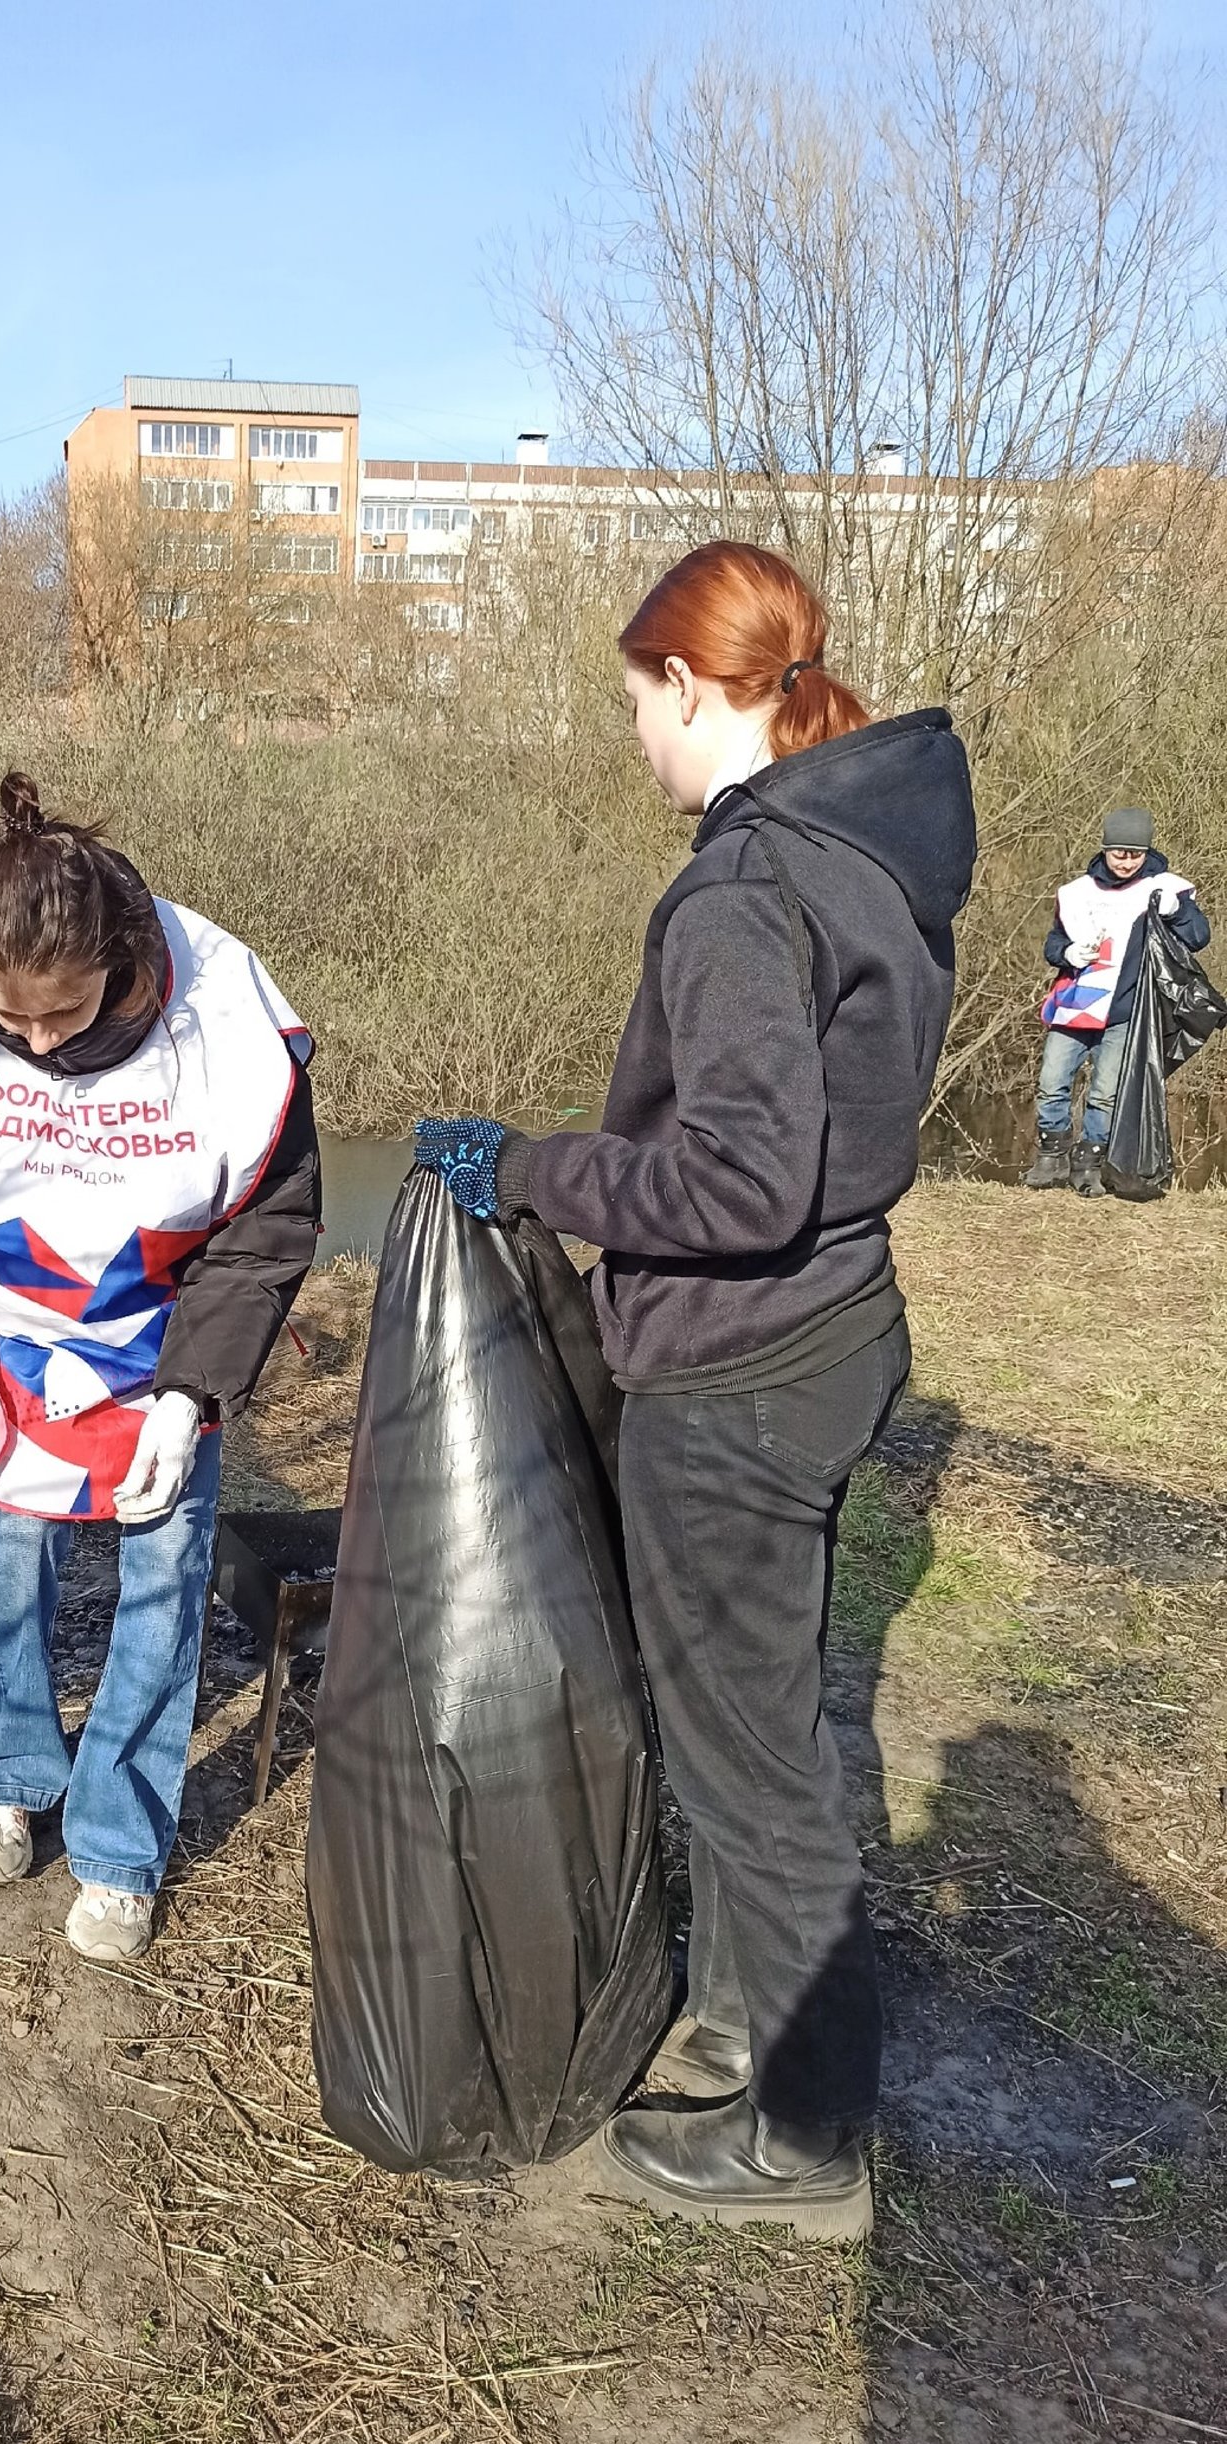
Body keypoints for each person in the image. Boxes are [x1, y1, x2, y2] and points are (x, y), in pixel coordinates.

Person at [415, 542, 976, 2241]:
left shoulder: (744, 890)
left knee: (748, 1757)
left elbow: (736, 1180)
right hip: (832, 1328)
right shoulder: (862, 856)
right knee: (761, 1715)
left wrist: (532, 1168)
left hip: (743, 1373)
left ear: (690, 686)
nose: (634, 735)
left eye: (636, 701)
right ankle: (747, 2021)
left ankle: (804, 2139)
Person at [0, 771, 320, 1967]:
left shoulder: (226, 1032)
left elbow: (266, 1229)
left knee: (162, 1586)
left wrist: (191, 1391)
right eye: (9, 1019)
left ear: (119, 959)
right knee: (9, 1559)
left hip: (167, 1352)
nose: (38, 1042)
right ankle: (11, 1770)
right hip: (21, 1351)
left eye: (63, 1013)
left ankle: (119, 1843)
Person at [1022, 807, 1209, 1195]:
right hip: (1073, 1008)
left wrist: (1176, 912)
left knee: (1105, 1094)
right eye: (1119, 853)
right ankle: (1051, 1157)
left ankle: (1089, 1164)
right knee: (1051, 1083)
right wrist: (1067, 953)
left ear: (1146, 852)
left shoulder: (1164, 889)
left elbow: (1197, 937)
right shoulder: (1075, 893)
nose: (1126, 862)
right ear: (1105, 849)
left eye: (1135, 854)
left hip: (1124, 1012)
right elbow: (1053, 944)